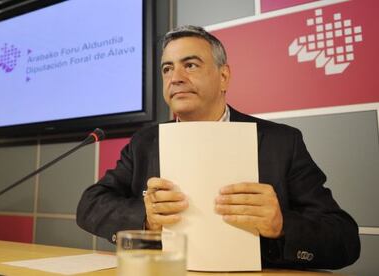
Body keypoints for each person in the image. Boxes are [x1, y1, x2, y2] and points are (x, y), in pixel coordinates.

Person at [77, 25, 360, 269]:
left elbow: (345, 239)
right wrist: (146, 219)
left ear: (223, 77)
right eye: (167, 68)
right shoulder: (145, 142)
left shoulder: (281, 142)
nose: (175, 77)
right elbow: (90, 205)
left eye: (190, 65)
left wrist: (280, 225)